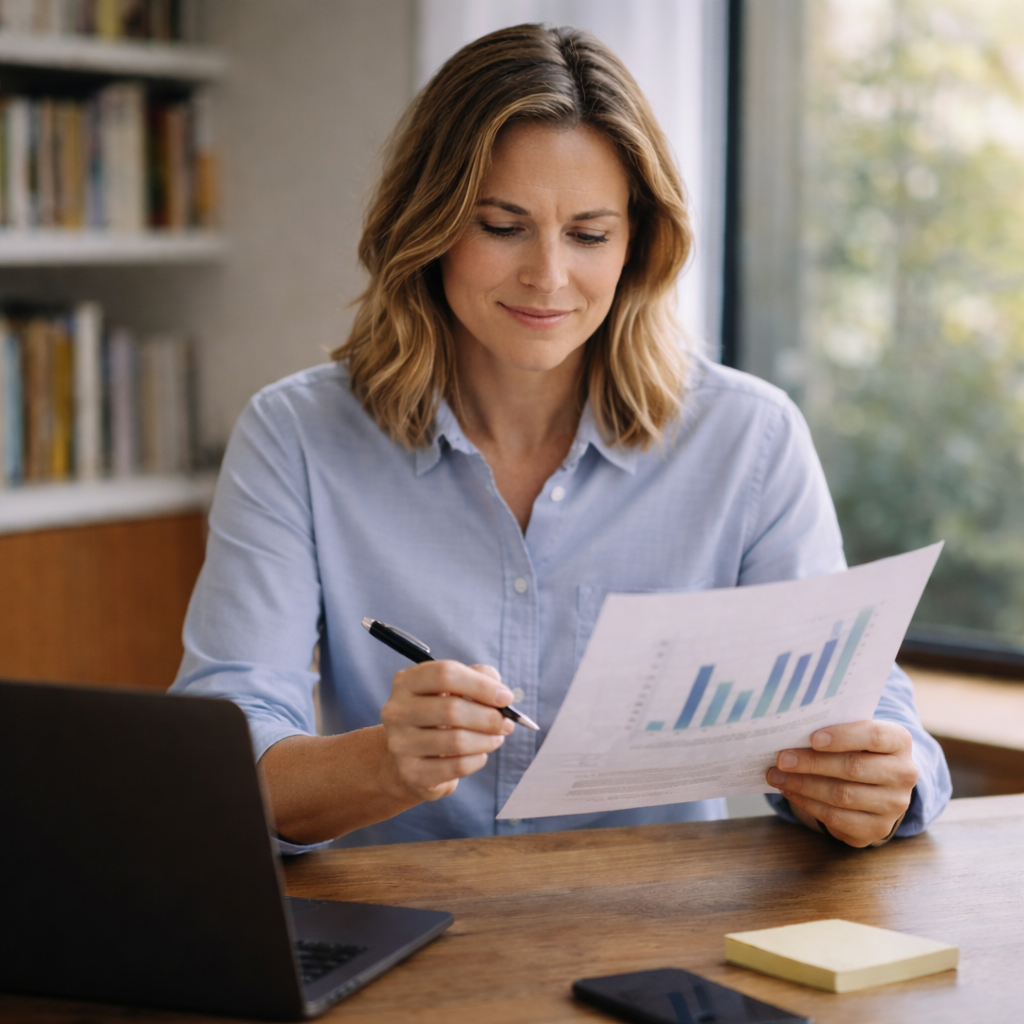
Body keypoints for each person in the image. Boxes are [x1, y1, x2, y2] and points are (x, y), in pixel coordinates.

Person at [171, 23, 950, 853]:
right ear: (428, 226)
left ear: (636, 244)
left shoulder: (748, 440)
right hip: (392, 937)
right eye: (503, 226)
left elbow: (850, 697)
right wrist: (384, 765)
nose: (548, 275)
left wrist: (883, 781)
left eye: (588, 234)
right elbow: (220, 756)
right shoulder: (296, 437)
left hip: (654, 943)